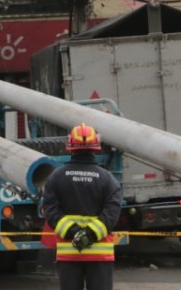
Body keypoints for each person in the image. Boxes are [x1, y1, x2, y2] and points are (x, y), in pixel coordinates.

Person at [41, 124, 122, 290]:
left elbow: (51, 211)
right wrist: (89, 235)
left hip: (69, 253)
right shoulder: (108, 179)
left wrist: (74, 233)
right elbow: (112, 214)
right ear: (95, 148)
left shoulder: (56, 177)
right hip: (100, 255)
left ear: (70, 147)